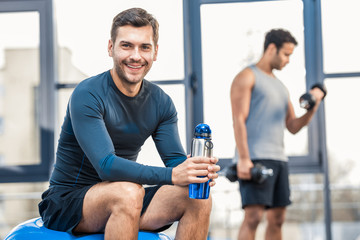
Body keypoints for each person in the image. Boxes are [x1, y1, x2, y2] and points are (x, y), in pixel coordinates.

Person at [38, 8, 220, 240]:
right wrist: (173, 175)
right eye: (126, 46)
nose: (136, 56)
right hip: (68, 202)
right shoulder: (88, 93)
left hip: (125, 198)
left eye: (145, 47)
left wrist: (195, 171)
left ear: (155, 52)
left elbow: (175, 162)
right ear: (110, 48)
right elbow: (106, 165)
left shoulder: (161, 102)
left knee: (198, 198)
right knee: (128, 192)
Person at [230, 29, 325, 240]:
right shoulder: (247, 76)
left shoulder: (281, 87)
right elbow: (238, 119)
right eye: (286, 54)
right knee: (253, 217)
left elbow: (292, 125)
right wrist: (244, 159)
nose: (288, 60)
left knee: (278, 218)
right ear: (272, 48)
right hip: (255, 158)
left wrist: (312, 107)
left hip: (278, 159)